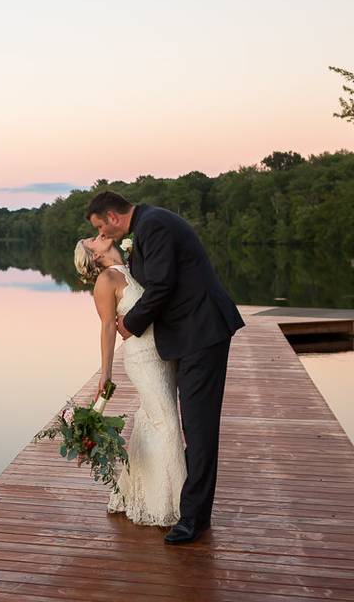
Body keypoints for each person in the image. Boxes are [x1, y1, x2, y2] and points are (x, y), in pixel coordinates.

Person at [81, 191, 245, 544]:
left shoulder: (153, 225)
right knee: (188, 425)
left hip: (202, 332)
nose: (102, 235)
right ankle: (187, 506)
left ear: (111, 216)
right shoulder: (147, 227)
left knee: (198, 428)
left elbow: (162, 288)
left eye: (99, 226)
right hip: (183, 339)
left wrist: (130, 324)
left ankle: (193, 519)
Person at [74, 233, 186, 527]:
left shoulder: (134, 265)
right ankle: (172, 504)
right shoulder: (106, 281)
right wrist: (105, 372)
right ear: (95, 255)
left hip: (164, 354)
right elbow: (108, 329)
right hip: (142, 359)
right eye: (92, 239)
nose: (99, 235)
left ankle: (132, 491)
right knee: (168, 423)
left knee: (153, 420)